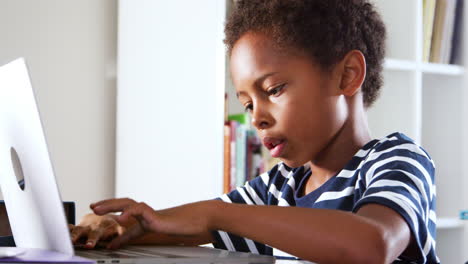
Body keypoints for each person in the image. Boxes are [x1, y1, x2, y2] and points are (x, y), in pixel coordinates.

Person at [70, 0, 439, 263]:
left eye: (274, 90)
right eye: (247, 104)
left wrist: (215, 213)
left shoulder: (397, 160)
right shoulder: (282, 186)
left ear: (347, 75)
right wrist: (117, 227)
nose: (257, 119)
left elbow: (371, 245)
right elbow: (186, 225)